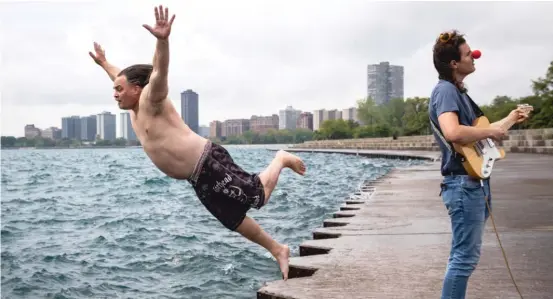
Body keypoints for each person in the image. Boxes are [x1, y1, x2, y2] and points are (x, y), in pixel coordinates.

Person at [88, 5, 306, 280]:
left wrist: (162, 40)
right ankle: (278, 250)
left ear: (137, 89)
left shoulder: (151, 100)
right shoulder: (134, 106)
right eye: (114, 89)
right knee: (233, 220)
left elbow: (159, 72)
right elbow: (119, 75)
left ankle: (281, 158)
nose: (115, 94)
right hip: (196, 176)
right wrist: (104, 63)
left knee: (256, 197)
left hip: (208, 161)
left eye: (119, 90)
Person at [428, 30, 529, 299]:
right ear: (453, 63)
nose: (474, 57)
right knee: (463, 260)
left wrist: (509, 119)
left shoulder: (457, 93)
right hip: (464, 186)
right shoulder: (446, 91)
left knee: (463, 258)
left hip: (473, 184)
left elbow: (479, 133)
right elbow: (453, 132)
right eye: (467, 54)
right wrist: (490, 132)